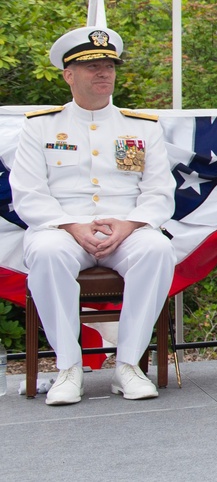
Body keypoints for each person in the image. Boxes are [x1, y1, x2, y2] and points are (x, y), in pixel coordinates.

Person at [10, 27, 176, 405]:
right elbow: (29, 193)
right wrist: (71, 225)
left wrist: (130, 224)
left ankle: (128, 365)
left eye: (109, 65)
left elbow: (159, 192)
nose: (103, 73)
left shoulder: (142, 127)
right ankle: (69, 368)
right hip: (62, 226)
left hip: (125, 227)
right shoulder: (41, 126)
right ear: (68, 75)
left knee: (156, 249)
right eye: (92, 66)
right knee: (48, 253)